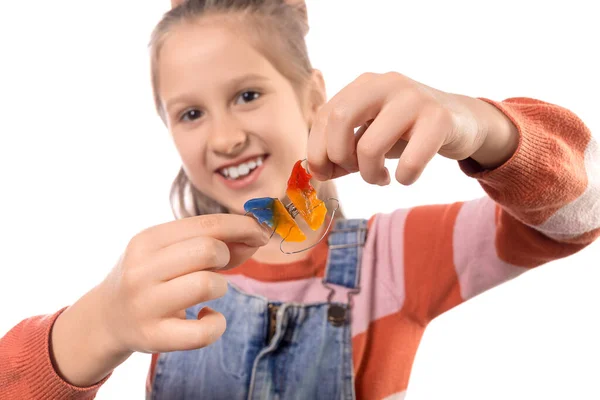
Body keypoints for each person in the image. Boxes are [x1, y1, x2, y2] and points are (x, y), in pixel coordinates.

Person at [1, 0, 598, 399]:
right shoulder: (163, 277)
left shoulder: (391, 259)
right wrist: (97, 326)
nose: (225, 136)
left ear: (314, 95)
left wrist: (483, 128)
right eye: (189, 113)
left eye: (248, 95)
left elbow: (577, 218)